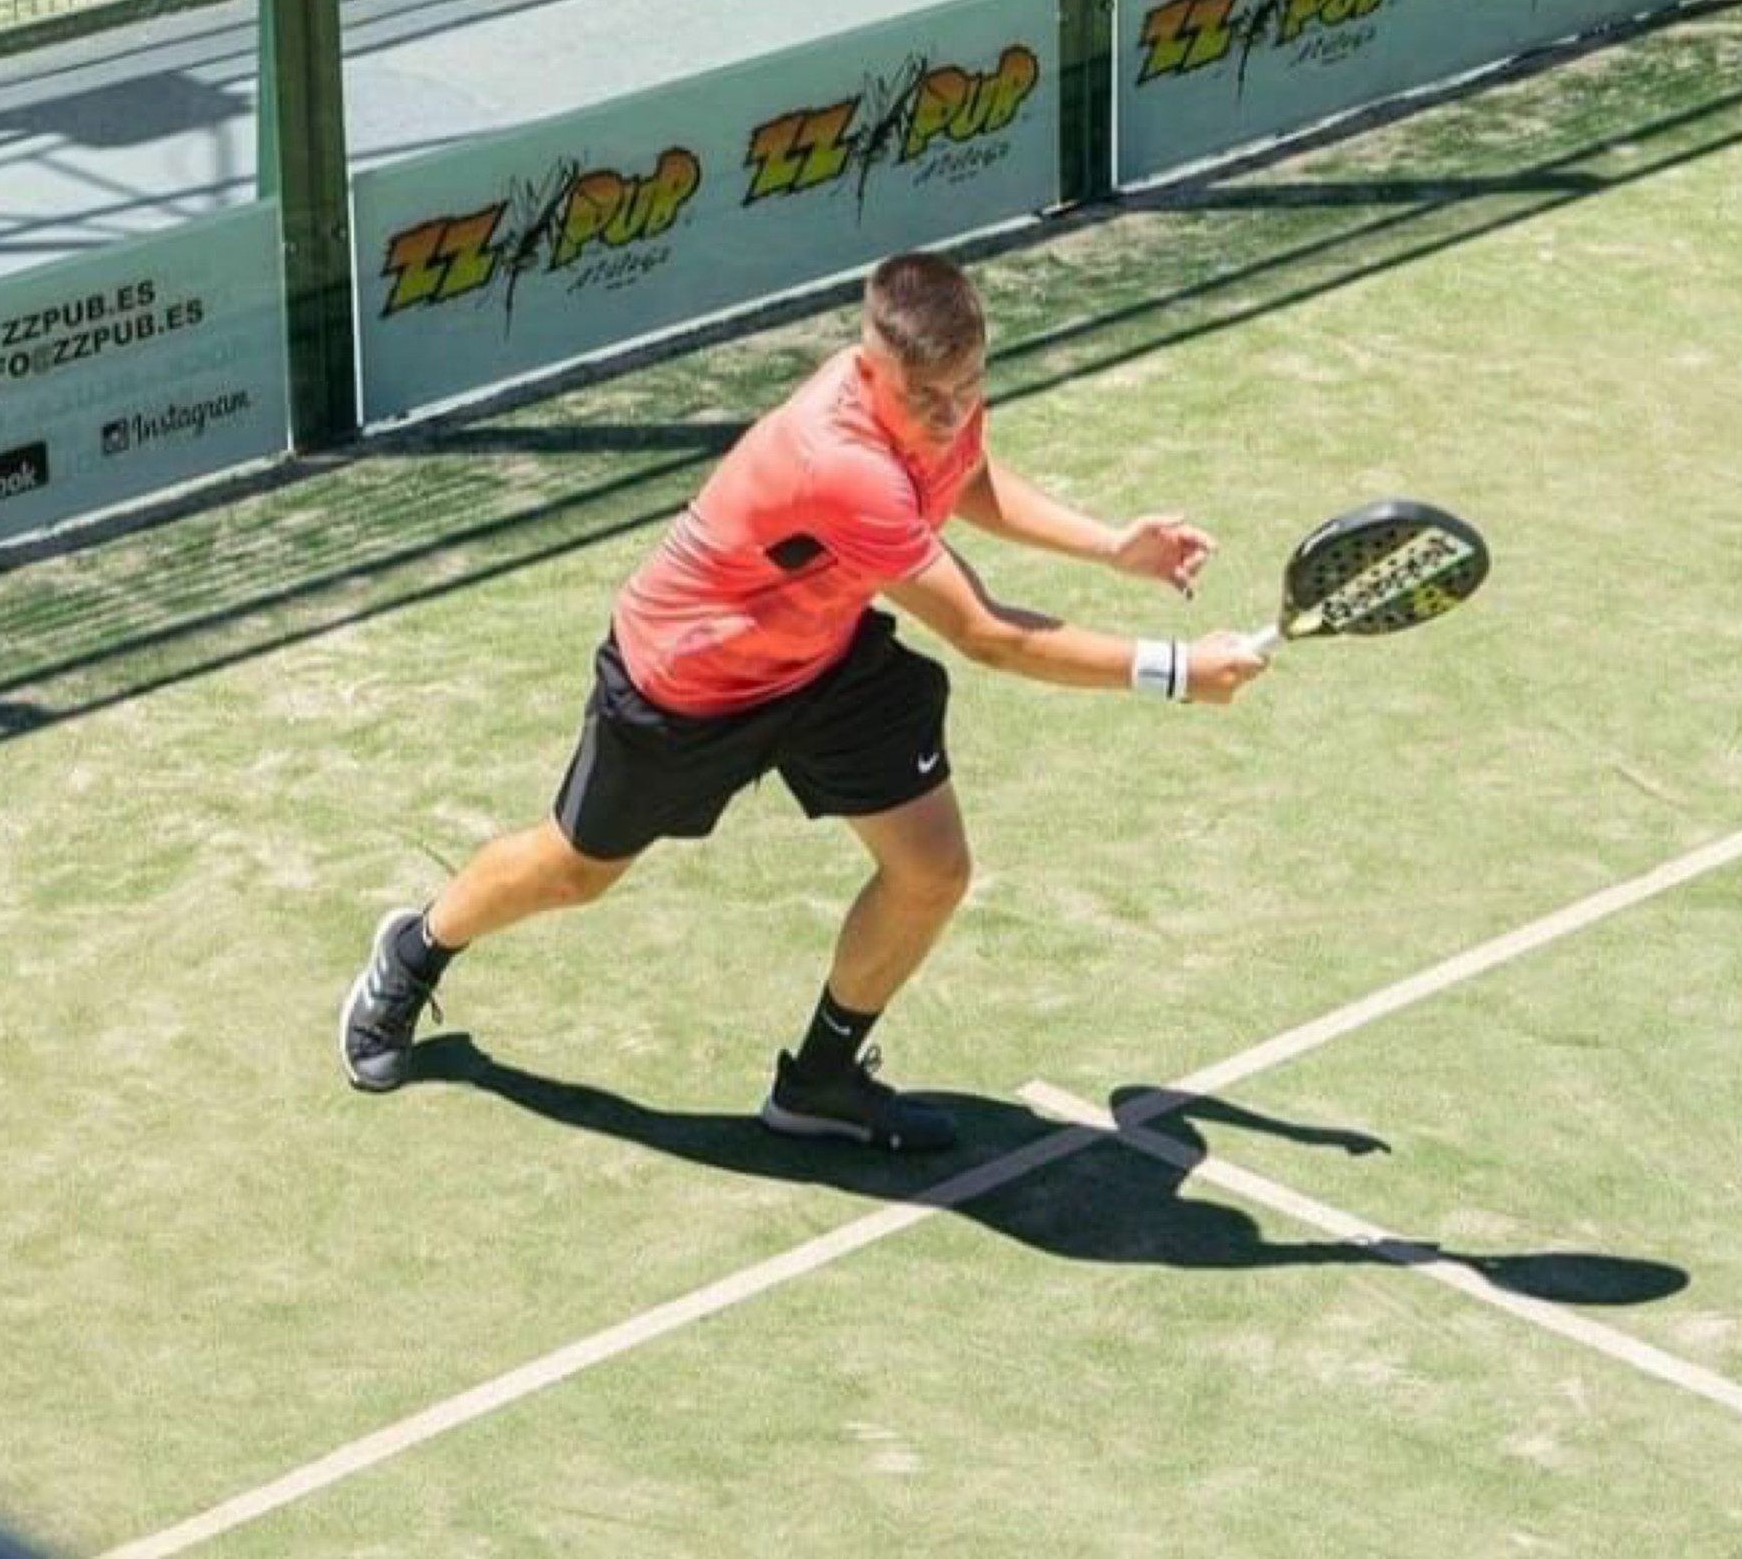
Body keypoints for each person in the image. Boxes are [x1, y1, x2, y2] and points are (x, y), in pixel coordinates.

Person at [340, 251, 1269, 1151]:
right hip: (687, 683)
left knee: (932, 868)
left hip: (821, 656)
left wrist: (1108, 545)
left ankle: (819, 1082)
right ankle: (417, 947)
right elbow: (988, 633)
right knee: (574, 872)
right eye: (927, 397)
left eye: (969, 387)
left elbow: (965, 472)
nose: (951, 413)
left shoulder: (937, 399)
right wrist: (1177, 671)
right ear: (867, 370)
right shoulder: (841, 464)